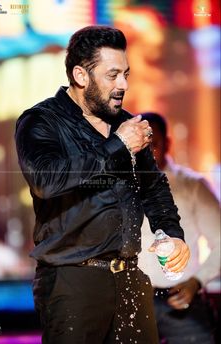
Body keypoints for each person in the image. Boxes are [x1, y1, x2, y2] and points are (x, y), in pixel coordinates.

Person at [15, 26, 190, 344]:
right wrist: (118, 147)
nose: (123, 84)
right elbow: (47, 180)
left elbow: (153, 188)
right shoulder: (41, 121)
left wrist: (172, 233)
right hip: (72, 281)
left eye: (125, 74)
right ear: (81, 75)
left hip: (131, 279)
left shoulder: (127, 125)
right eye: (112, 75)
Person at [138, 112, 220, 344]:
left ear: (168, 143)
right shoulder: (119, 185)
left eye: (153, 143)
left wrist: (196, 282)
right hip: (132, 297)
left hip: (179, 298)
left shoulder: (191, 186)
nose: (146, 149)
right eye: (141, 142)